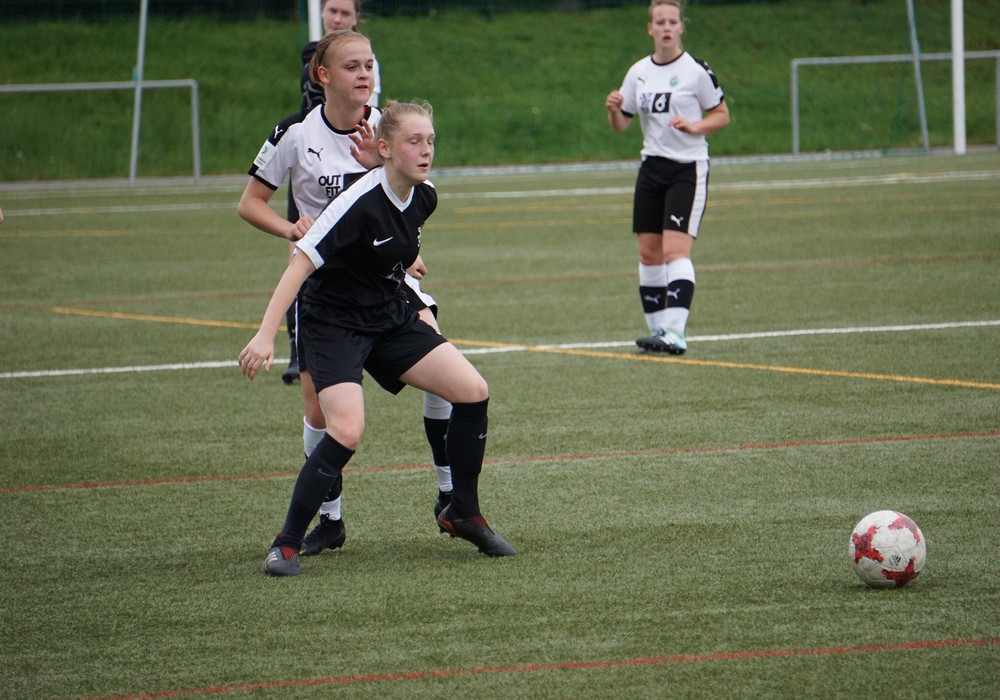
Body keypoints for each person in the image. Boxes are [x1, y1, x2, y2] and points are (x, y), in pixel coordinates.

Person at [239, 100, 516, 576]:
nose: (426, 149)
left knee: (473, 391)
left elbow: (393, 243)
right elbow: (301, 262)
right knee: (345, 429)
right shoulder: (354, 202)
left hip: (388, 313)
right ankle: (285, 543)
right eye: (414, 141)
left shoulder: (425, 195)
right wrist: (266, 334)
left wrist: (408, 269)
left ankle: (462, 512)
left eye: (430, 140)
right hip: (334, 322)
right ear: (386, 148)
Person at [238, 31, 456, 558]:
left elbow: (407, 194)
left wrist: (405, 250)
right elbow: (250, 204)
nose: (364, 76)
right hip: (326, 289)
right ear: (323, 75)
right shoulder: (294, 133)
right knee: (321, 411)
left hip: (389, 279)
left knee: (446, 372)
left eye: (369, 66)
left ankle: (452, 494)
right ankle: (329, 521)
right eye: (353, 67)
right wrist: (291, 229)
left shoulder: (386, 126)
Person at [605, 0, 730, 355]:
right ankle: (658, 331)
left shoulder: (695, 71)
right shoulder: (638, 72)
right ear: (650, 28)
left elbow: (721, 115)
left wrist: (695, 125)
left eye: (672, 21)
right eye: (659, 21)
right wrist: (614, 110)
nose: (665, 27)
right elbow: (622, 125)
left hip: (686, 169)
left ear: (680, 27)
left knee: (675, 250)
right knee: (649, 254)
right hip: (651, 169)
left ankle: (676, 332)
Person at [282, 0, 381, 385]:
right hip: (315, 162)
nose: (336, 18)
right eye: (331, 12)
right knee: (301, 257)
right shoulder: (312, 54)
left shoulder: (371, 81)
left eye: (344, 13)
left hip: (356, 155)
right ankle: (299, 346)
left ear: (356, 18)